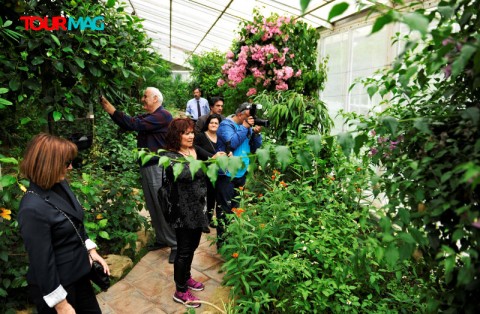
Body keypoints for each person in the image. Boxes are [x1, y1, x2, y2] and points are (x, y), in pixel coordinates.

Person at [18, 133, 110, 314]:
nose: (70, 167)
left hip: (80, 275)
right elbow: (42, 263)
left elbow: (75, 222)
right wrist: (61, 304)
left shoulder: (59, 184)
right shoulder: (32, 209)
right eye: (66, 162)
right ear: (48, 164)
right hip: (59, 287)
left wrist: (91, 251)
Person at [100, 87, 177, 263]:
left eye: (145, 96)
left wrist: (111, 109)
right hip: (147, 165)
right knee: (152, 204)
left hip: (158, 166)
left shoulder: (163, 115)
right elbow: (131, 121)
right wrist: (112, 111)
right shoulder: (149, 117)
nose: (142, 99)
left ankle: (175, 244)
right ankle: (161, 239)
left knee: (162, 204)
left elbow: (133, 124)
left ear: (156, 98)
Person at [162, 118, 226, 308]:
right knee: (183, 250)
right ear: (176, 135)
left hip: (198, 208)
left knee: (194, 245)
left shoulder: (194, 150)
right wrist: (205, 165)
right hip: (182, 210)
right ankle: (180, 290)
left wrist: (218, 156)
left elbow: (211, 157)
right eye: (186, 133)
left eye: (192, 132)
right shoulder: (170, 156)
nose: (191, 136)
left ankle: (187, 277)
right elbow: (184, 174)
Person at [215, 102, 262, 248]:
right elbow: (232, 143)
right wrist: (245, 127)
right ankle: (222, 243)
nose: (251, 119)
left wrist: (256, 134)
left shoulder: (245, 126)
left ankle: (233, 239)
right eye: (249, 116)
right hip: (227, 173)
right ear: (240, 114)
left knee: (236, 207)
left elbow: (255, 147)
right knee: (225, 208)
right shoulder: (225, 126)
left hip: (241, 172)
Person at [194, 113, 224, 232]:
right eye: (211, 122)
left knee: (212, 196)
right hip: (203, 170)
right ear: (207, 124)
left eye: (216, 123)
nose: (214, 125)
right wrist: (212, 157)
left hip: (216, 171)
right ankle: (202, 222)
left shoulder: (220, 137)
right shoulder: (201, 136)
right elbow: (196, 148)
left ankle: (210, 219)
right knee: (202, 197)